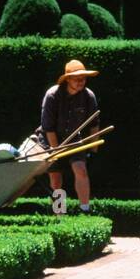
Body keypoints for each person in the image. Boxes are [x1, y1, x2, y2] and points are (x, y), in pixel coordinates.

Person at [40, 59, 100, 213]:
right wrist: (56, 151)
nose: (81, 82)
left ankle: (85, 210)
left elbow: (94, 126)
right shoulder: (52, 95)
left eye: (84, 78)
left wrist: (93, 151)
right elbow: (48, 128)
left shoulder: (88, 96)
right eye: (77, 78)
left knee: (81, 170)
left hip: (74, 139)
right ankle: (59, 211)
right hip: (50, 139)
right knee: (55, 176)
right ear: (68, 79)